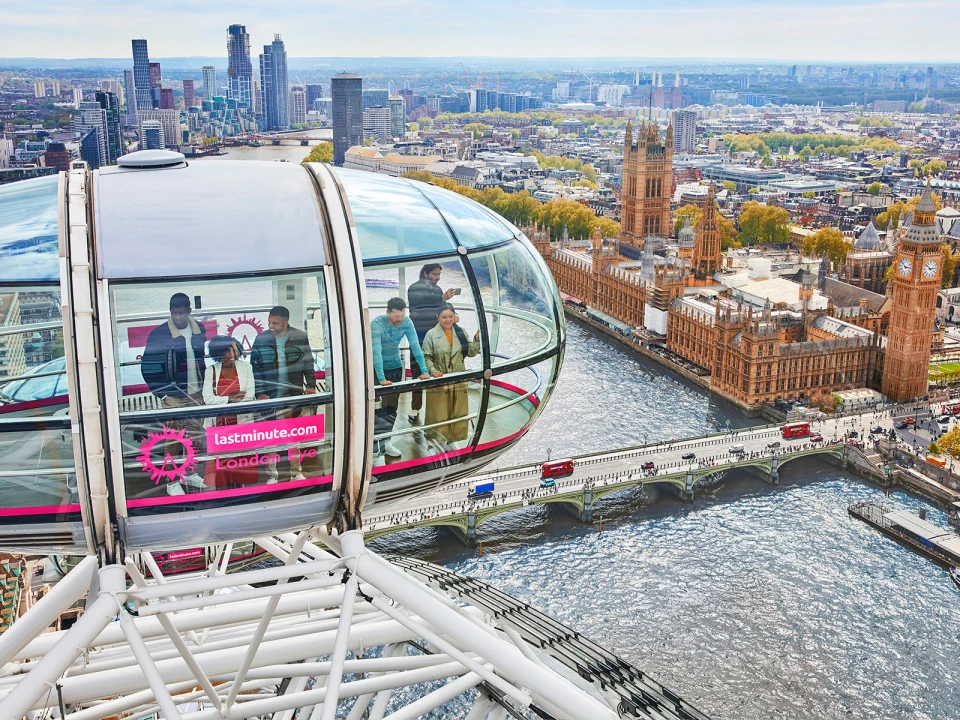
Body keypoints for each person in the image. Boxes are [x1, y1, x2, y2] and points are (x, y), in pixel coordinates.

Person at [140, 293, 208, 496]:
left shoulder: (199, 330)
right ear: (170, 312)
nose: (178, 317)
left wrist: (204, 389)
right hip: (173, 395)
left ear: (189, 311)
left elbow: (201, 360)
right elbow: (148, 367)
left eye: (181, 313)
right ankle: (171, 481)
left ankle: (189, 472)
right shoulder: (159, 334)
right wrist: (162, 394)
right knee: (173, 440)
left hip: (196, 393)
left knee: (195, 436)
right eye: (174, 313)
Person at [251, 306, 316, 483]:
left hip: (292, 394)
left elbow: (308, 364)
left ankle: (296, 472)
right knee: (271, 438)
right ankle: (273, 475)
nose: (271, 325)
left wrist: (310, 386)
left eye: (275, 323)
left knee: (293, 437)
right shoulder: (261, 339)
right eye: (269, 321)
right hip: (270, 397)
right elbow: (255, 368)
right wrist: (260, 392)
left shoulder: (299, 336)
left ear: (286, 322)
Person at [371, 298, 430, 458]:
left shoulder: (406, 322)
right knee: (372, 409)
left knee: (391, 407)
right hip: (376, 369)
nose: (399, 320)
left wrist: (424, 371)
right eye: (395, 316)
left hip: (395, 368)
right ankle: (372, 444)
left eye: (401, 316)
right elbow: (375, 353)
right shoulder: (376, 324)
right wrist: (381, 378)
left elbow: (416, 346)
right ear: (387, 312)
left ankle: (386, 442)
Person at [421, 302, 480, 450]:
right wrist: (434, 371)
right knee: (438, 412)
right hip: (439, 379)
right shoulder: (431, 334)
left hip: (458, 378)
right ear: (438, 317)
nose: (448, 320)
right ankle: (434, 442)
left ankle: (452, 438)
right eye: (444, 317)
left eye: (450, 316)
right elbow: (426, 356)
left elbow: (471, 352)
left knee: (456, 410)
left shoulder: (460, 332)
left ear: (455, 316)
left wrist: (477, 339)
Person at [202, 336, 256, 488]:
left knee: (241, 464)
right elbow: (207, 399)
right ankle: (225, 493)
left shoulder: (246, 367)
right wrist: (229, 399)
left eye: (234, 350)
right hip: (219, 425)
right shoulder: (210, 371)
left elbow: (250, 395)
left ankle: (240, 492)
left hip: (241, 423)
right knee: (222, 466)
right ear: (218, 353)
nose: (231, 354)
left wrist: (222, 399)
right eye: (227, 351)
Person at [407, 264, 456, 423]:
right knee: (418, 370)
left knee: (438, 369)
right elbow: (420, 305)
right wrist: (442, 299)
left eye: (439, 274)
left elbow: (441, 310)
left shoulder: (437, 290)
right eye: (434, 274)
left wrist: (452, 314)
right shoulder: (414, 288)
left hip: (435, 335)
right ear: (425, 273)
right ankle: (415, 409)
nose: (437, 277)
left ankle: (437, 409)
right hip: (419, 336)